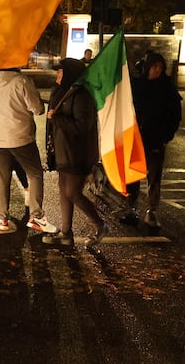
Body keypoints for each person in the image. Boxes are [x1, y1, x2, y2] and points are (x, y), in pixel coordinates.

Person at [43, 58, 109, 248]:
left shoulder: (82, 96)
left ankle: (100, 225)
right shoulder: (63, 92)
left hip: (77, 154)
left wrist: (58, 119)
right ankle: (66, 233)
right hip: (63, 151)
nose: (58, 75)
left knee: (72, 193)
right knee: (64, 192)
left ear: (71, 74)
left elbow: (82, 126)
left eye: (61, 72)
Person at [0, 67, 56, 234]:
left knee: (3, 178)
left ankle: (2, 218)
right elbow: (37, 108)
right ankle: (36, 216)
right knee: (35, 174)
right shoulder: (21, 81)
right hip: (21, 136)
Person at [123, 53, 182, 229]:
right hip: (136, 138)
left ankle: (152, 210)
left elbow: (175, 115)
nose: (157, 70)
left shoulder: (167, 88)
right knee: (133, 174)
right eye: (154, 66)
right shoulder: (137, 86)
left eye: (160, 67)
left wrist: (166, 136)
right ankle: (130, 208)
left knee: (154, 176)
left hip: (156, 139)